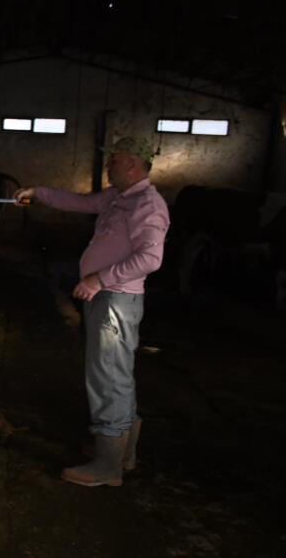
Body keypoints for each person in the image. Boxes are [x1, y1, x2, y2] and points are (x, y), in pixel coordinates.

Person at [14, 137, 170, 487]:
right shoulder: (119, 198)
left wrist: (99, 279)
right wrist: (38, 192)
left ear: (132, 164)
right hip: (111, 297)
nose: (107, 165)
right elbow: (80, 202)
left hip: (115, 299)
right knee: (117, 374)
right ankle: (121, 452)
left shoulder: (148, 204)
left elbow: (150, 258)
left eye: (113, 160)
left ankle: (106, 465)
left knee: (106, 377)